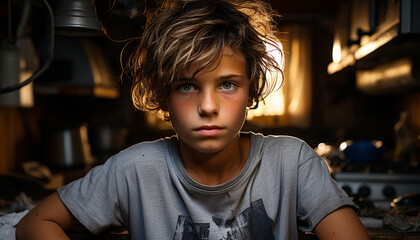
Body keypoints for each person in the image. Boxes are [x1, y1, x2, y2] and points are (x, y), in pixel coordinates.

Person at [16, 0, 370, 239]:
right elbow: (35, 223)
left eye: (228, 84)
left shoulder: (292, 163)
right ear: (163, 97)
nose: (208, 106)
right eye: (187, 86)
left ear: (251, 91)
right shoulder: (135, 169)